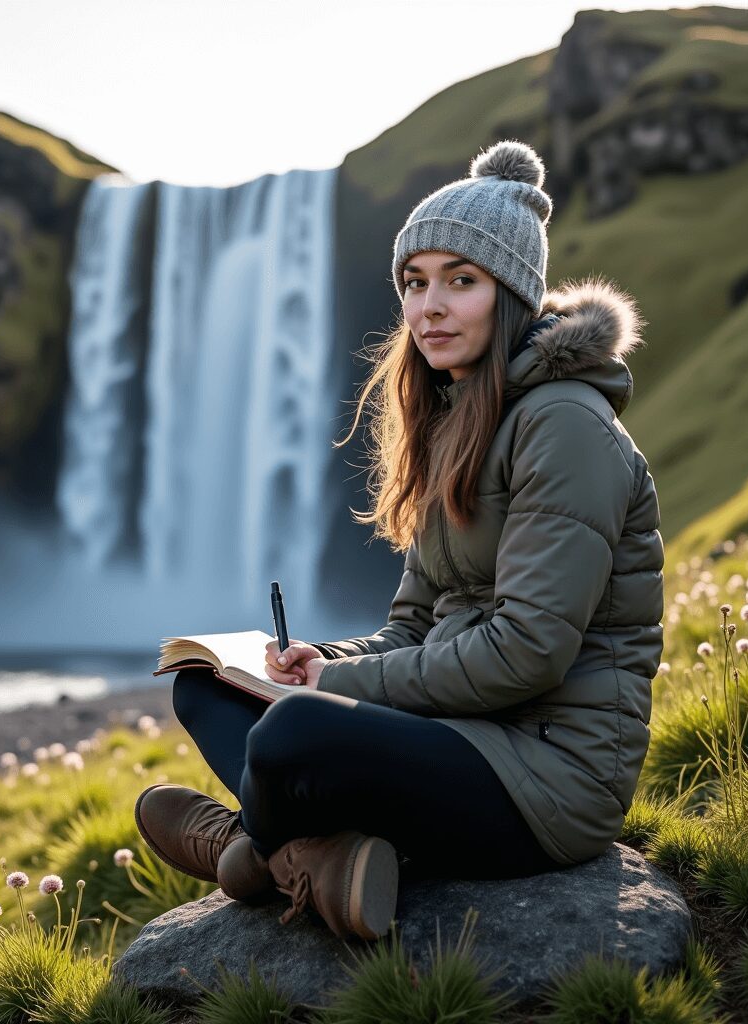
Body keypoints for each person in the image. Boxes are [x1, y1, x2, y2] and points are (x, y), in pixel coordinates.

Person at [134, 138, 665, 941]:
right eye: (415, 283)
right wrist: (324, 664)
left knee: (292, 731)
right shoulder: (457, 421)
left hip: (548, 775)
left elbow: (528, 653)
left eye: (462, 281)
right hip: (462, 735)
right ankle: (313, 862)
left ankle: (250, 854)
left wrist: (337, 696)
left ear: (512, 294)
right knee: (206, 688)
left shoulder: (564, 426)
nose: (429, 308)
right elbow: (412, 626)